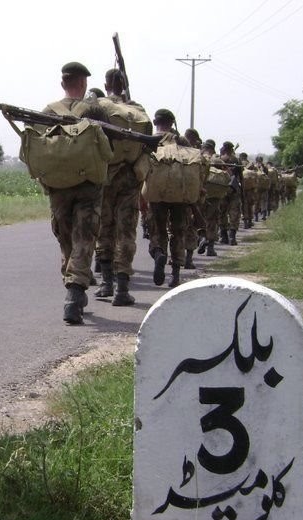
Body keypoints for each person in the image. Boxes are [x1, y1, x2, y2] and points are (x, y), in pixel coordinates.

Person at [43, 62, 106, 325]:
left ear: (63, 84)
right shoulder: (94, 109)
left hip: (58, 185)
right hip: (88, 184)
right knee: (84, 235)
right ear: (83, 83)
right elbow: (107, 146)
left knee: (66, 236)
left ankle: (72, 282)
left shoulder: (47, 111)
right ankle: (75, 292)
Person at [93, 68, 150, 307]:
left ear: (106, 85)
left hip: (105, 174)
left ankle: (106, 283)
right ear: (125, 84)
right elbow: (148, 148)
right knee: (126, 232)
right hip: (131, 177)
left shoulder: (97, 107)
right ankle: (122, 288)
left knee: (104, 228)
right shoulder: (139, 111)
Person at [146, 109, 191, 288]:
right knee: (178, 231)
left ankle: (158, 253)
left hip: (156, 193)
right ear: (172, 123)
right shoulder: (181, 141)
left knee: (157, 229)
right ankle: (175, 275)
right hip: (180, 193)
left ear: (156, 122)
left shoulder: (149, 140)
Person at [218, 141, 242, 245]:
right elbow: (241, 177)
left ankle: (224, 236)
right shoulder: (236, 159)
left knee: (222, 212)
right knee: (234, 212)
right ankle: (232, 236)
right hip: (234, 188)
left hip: (223, 188)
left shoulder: (220, 159)